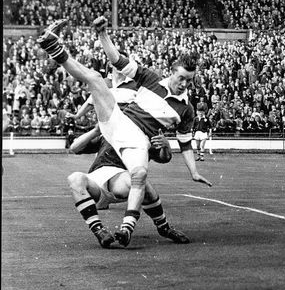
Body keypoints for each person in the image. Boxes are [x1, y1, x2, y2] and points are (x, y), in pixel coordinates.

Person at [37, 18, 211, 248]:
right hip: (119, 124)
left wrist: (194, 171)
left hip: (138, 142)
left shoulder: (186, 110)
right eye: (181, 78)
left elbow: (185, 145)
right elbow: (117, 60)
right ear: (172, 72)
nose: (184, 83)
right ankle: (53, 47)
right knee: (96, 79)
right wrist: (102, 34)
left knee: (139, 176)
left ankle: (128, 228)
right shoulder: (150, 78)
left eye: (189, 80)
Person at [68, 126, 190, 248]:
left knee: (139, 178)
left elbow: (164, 158)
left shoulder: (144, 137)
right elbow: (74, 148)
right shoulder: (108, 134)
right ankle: (100, 231)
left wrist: (166, 146)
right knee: (75, 178)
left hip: (121, 180)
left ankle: (163, 227)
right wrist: (96, 130)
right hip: (97, 180)